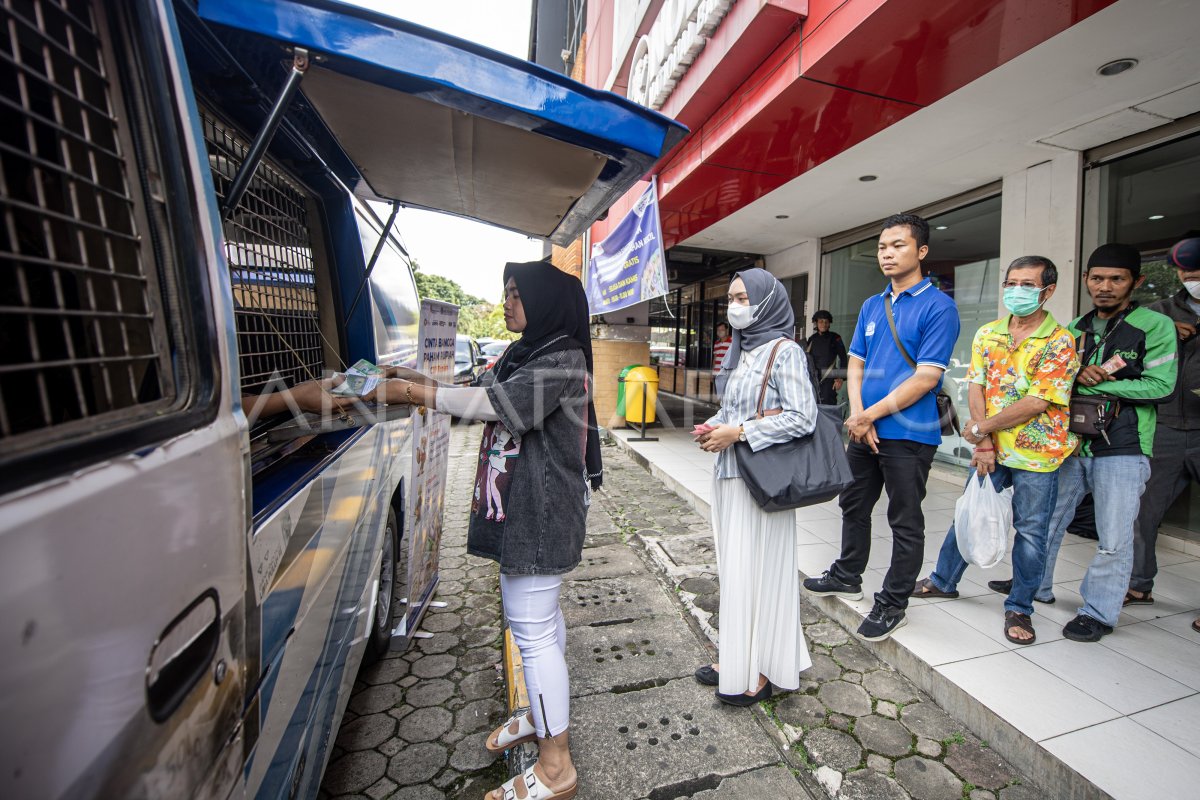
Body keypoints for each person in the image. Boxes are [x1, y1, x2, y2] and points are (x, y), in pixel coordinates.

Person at [372, 260, 600, 800]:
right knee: (536, 625)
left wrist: (413, 395)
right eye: (506, 291)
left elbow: (488, 404)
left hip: (542, 515)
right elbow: (477, 384)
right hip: (524, 511)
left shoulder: (561, 360)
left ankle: (556, 767)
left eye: (516, 293)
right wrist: (415, 378)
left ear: (545, 302)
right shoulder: (527, 352)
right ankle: (540, 717)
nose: (506, 301)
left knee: (534, 629)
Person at [1000, 243, 1177, 642]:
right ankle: (1034, 586)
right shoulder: (1076, 327)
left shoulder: (1154, 326)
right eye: (1097, 278)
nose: (1106, 286)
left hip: (1125, 447)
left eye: (1117, 279)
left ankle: (1098, 611)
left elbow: (1163, 385)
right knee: (1047, 522)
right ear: (1085, 281)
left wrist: (1106, 382)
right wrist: (1080, 376)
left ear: (1136, 282)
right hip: (1072, 443)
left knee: (1113, 538)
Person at [803, 213, 960, 641]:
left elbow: (927, 377)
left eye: (898, 246)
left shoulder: (939, 307)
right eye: (881, 247)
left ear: (921, 251)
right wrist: (858, 414)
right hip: (864, 428)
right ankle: (847, 573)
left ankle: (893, 602)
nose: (887, 254)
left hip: (909, 434)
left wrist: (871, 415)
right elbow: (855, 362)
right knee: (853, 505)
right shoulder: (875, 305)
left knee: (904, 520)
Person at [911, 256, 1079, 644]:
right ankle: (943, 580)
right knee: (968, 515)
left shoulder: (1060, 341)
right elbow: (976, 385)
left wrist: (980, 427)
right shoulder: (989, 333)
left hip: (1037, 454)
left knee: (1032, 532)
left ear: (1047, 291)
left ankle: (1020, 606)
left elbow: (1040, 400)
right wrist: (983, 441)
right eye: (1011, 283)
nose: (1016, 291)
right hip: (989, 450)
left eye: (1027, 285)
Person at [694, 268, 816, 705]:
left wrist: (739, 432)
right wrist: (714, 426)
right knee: (736, 570)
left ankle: (763, 668)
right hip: (731, 475)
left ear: (767, 302)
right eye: (732, 298)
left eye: (743, 298)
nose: (735, 306)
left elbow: (803, 417)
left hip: (763, 479)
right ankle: (736, 655)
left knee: (760, 572)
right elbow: (734, 407)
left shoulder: (786, 352)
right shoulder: (742, 350)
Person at [1127, 237, 1200, 614]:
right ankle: (1139, 585)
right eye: (1187, 274)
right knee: (1143, 512)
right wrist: (1167, 330)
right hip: (1166, 426)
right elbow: (1129, 360)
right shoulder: (1159, 312)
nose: (1193, 280)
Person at [807, 309, 848, 405]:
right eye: (821, 321)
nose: (823, 324)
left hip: (829, 377)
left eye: (826, 322)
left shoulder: (835, 338)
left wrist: (841, 378)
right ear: (816, 323)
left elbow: (843, 358)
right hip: (813, 378)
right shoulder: (812, 339)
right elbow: (807, 360)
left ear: (829, 324)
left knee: (828, 406)